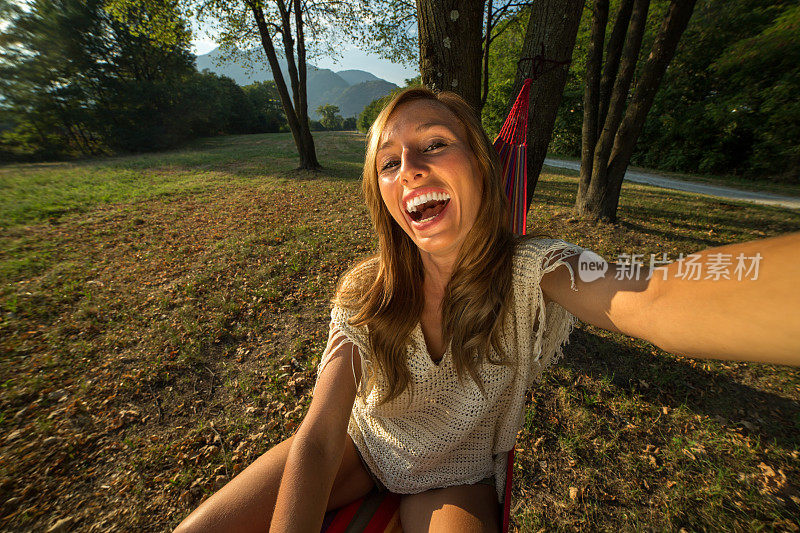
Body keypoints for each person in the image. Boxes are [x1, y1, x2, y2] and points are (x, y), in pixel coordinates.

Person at [174, 87, 800, 533]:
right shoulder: (366, 292)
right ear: (382, 194)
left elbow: (656, 297)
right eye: (389, 162)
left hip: (455, 473)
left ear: (480, 163)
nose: (410, 169)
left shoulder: (538, 269)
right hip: (362, 449)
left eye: (433, 144)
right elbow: (317, 437)